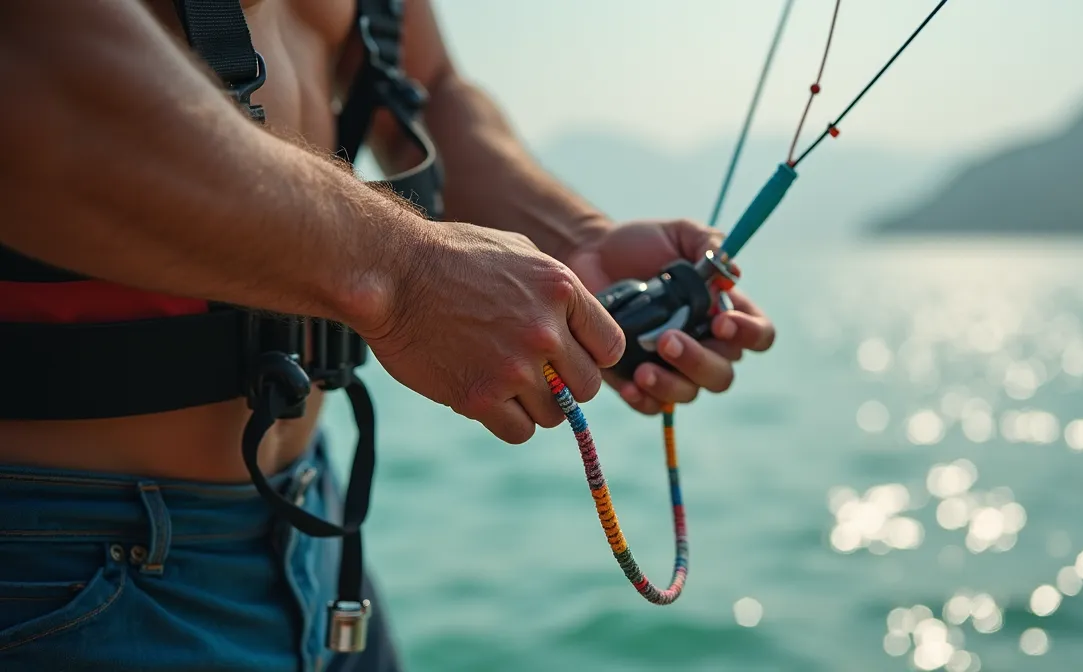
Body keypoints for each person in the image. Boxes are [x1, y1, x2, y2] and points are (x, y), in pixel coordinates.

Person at [0, 1, 776, 671]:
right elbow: (31, 78)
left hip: (317, 526)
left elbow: (425, 88)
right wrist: (404, 274)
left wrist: (577, 244)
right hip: (55, 557)